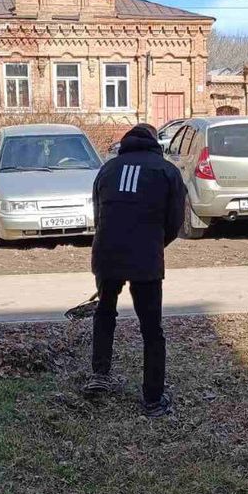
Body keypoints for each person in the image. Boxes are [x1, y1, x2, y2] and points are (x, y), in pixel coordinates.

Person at [85, 122, 186, 416]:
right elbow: (174, 221)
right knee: (151, 329)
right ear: (156, 142)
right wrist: (154, 243)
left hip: (106, 253)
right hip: (146, 258)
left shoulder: (108, 169)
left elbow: (98, 214)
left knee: (105, 313)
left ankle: (100, 375)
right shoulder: (167, 171)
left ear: (127, 141)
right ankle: (153, 399)